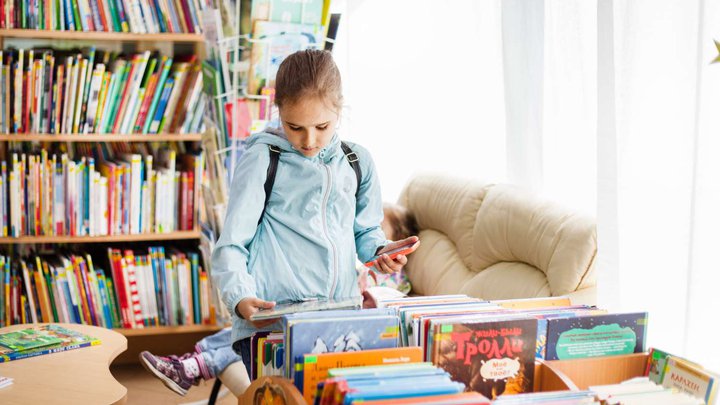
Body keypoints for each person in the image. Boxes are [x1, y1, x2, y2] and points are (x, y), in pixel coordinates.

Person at [138, 49, 419, 396]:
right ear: (279, 111)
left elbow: (365, 232)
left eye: (322, 126)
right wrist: (240, 296)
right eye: (294, 127)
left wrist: (381, 252)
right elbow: (232, 245)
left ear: (340, 110)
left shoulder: (358, 161)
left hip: (338, 316)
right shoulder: (262, 158)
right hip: (270, 322)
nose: (309, 141)